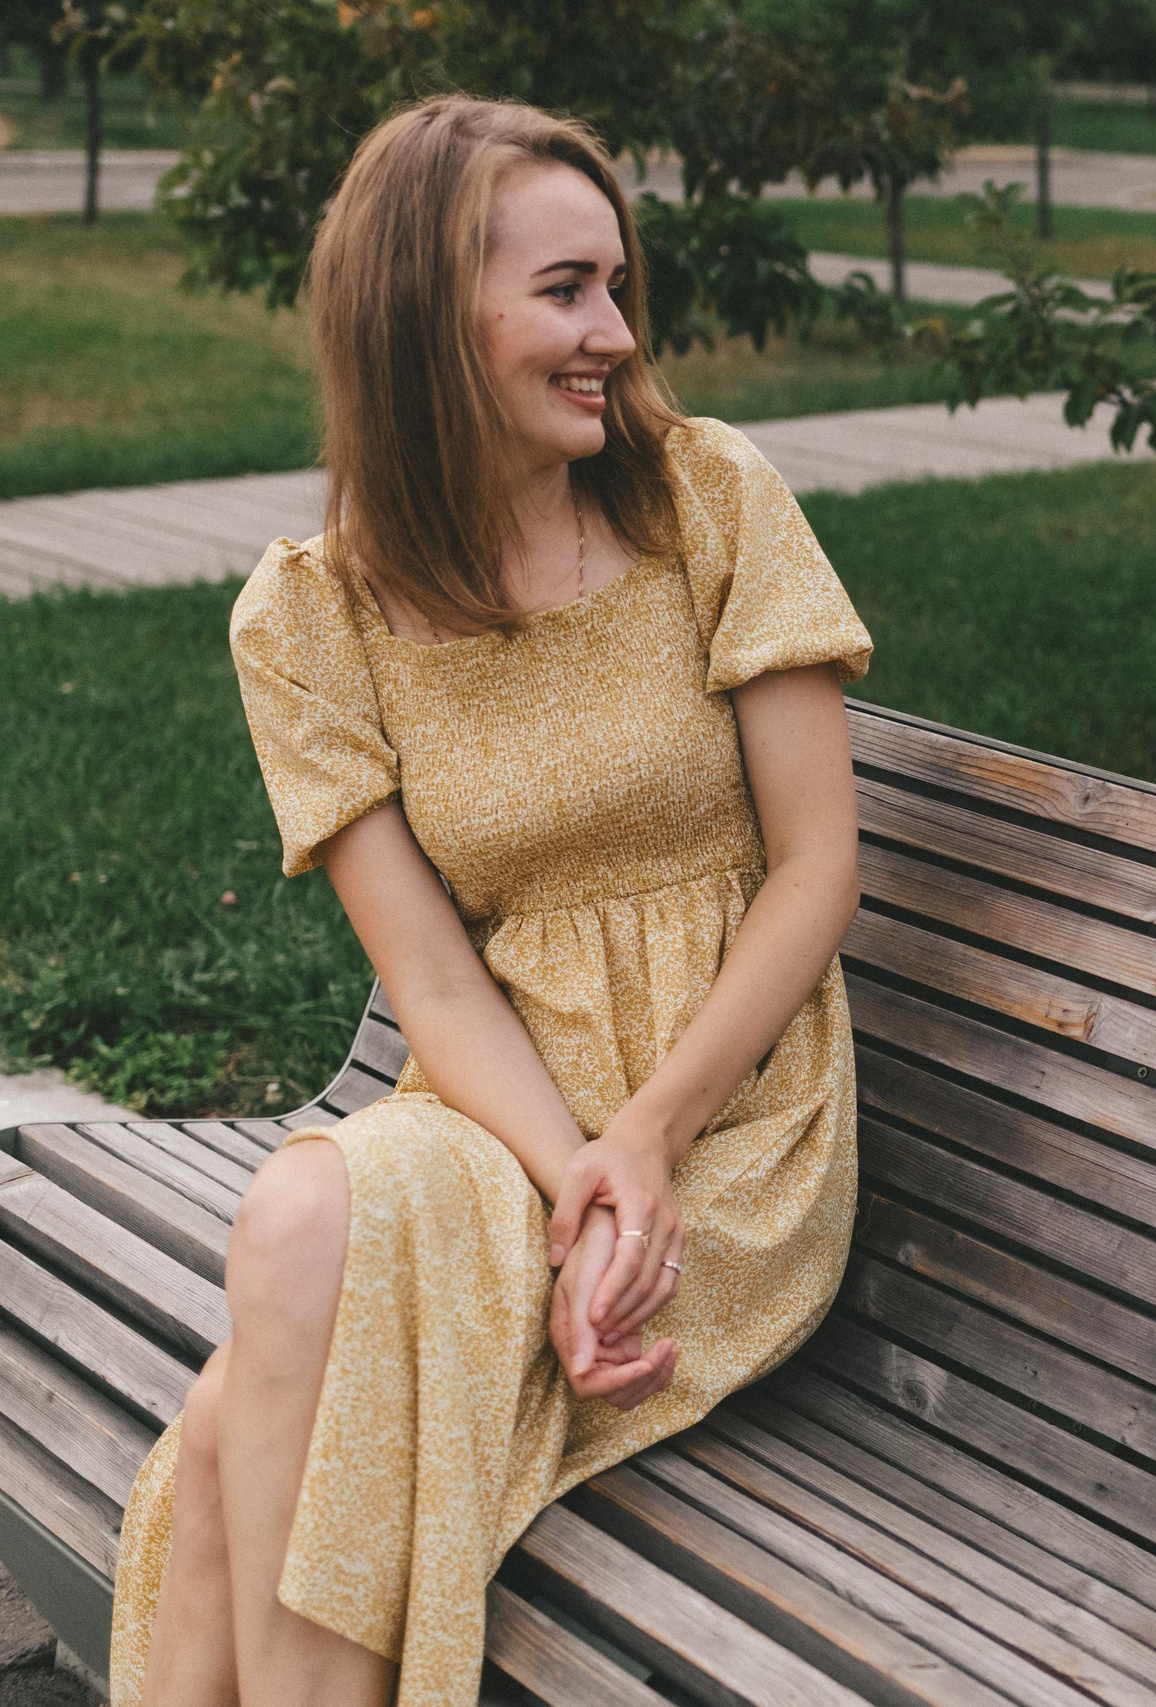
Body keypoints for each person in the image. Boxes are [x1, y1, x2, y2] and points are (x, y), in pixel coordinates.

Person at [112, 97, 873, 1705]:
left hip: (733, 1130)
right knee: (302, 1240)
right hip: (506, 1112)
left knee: (248, 1411)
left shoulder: (708, 499)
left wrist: (644, 1152)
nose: (612, 329)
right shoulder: (309, 615)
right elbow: (438, 989)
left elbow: (818, 868)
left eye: (614, 287)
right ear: (421, 317)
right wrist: (573, 1171)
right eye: (563, 291)